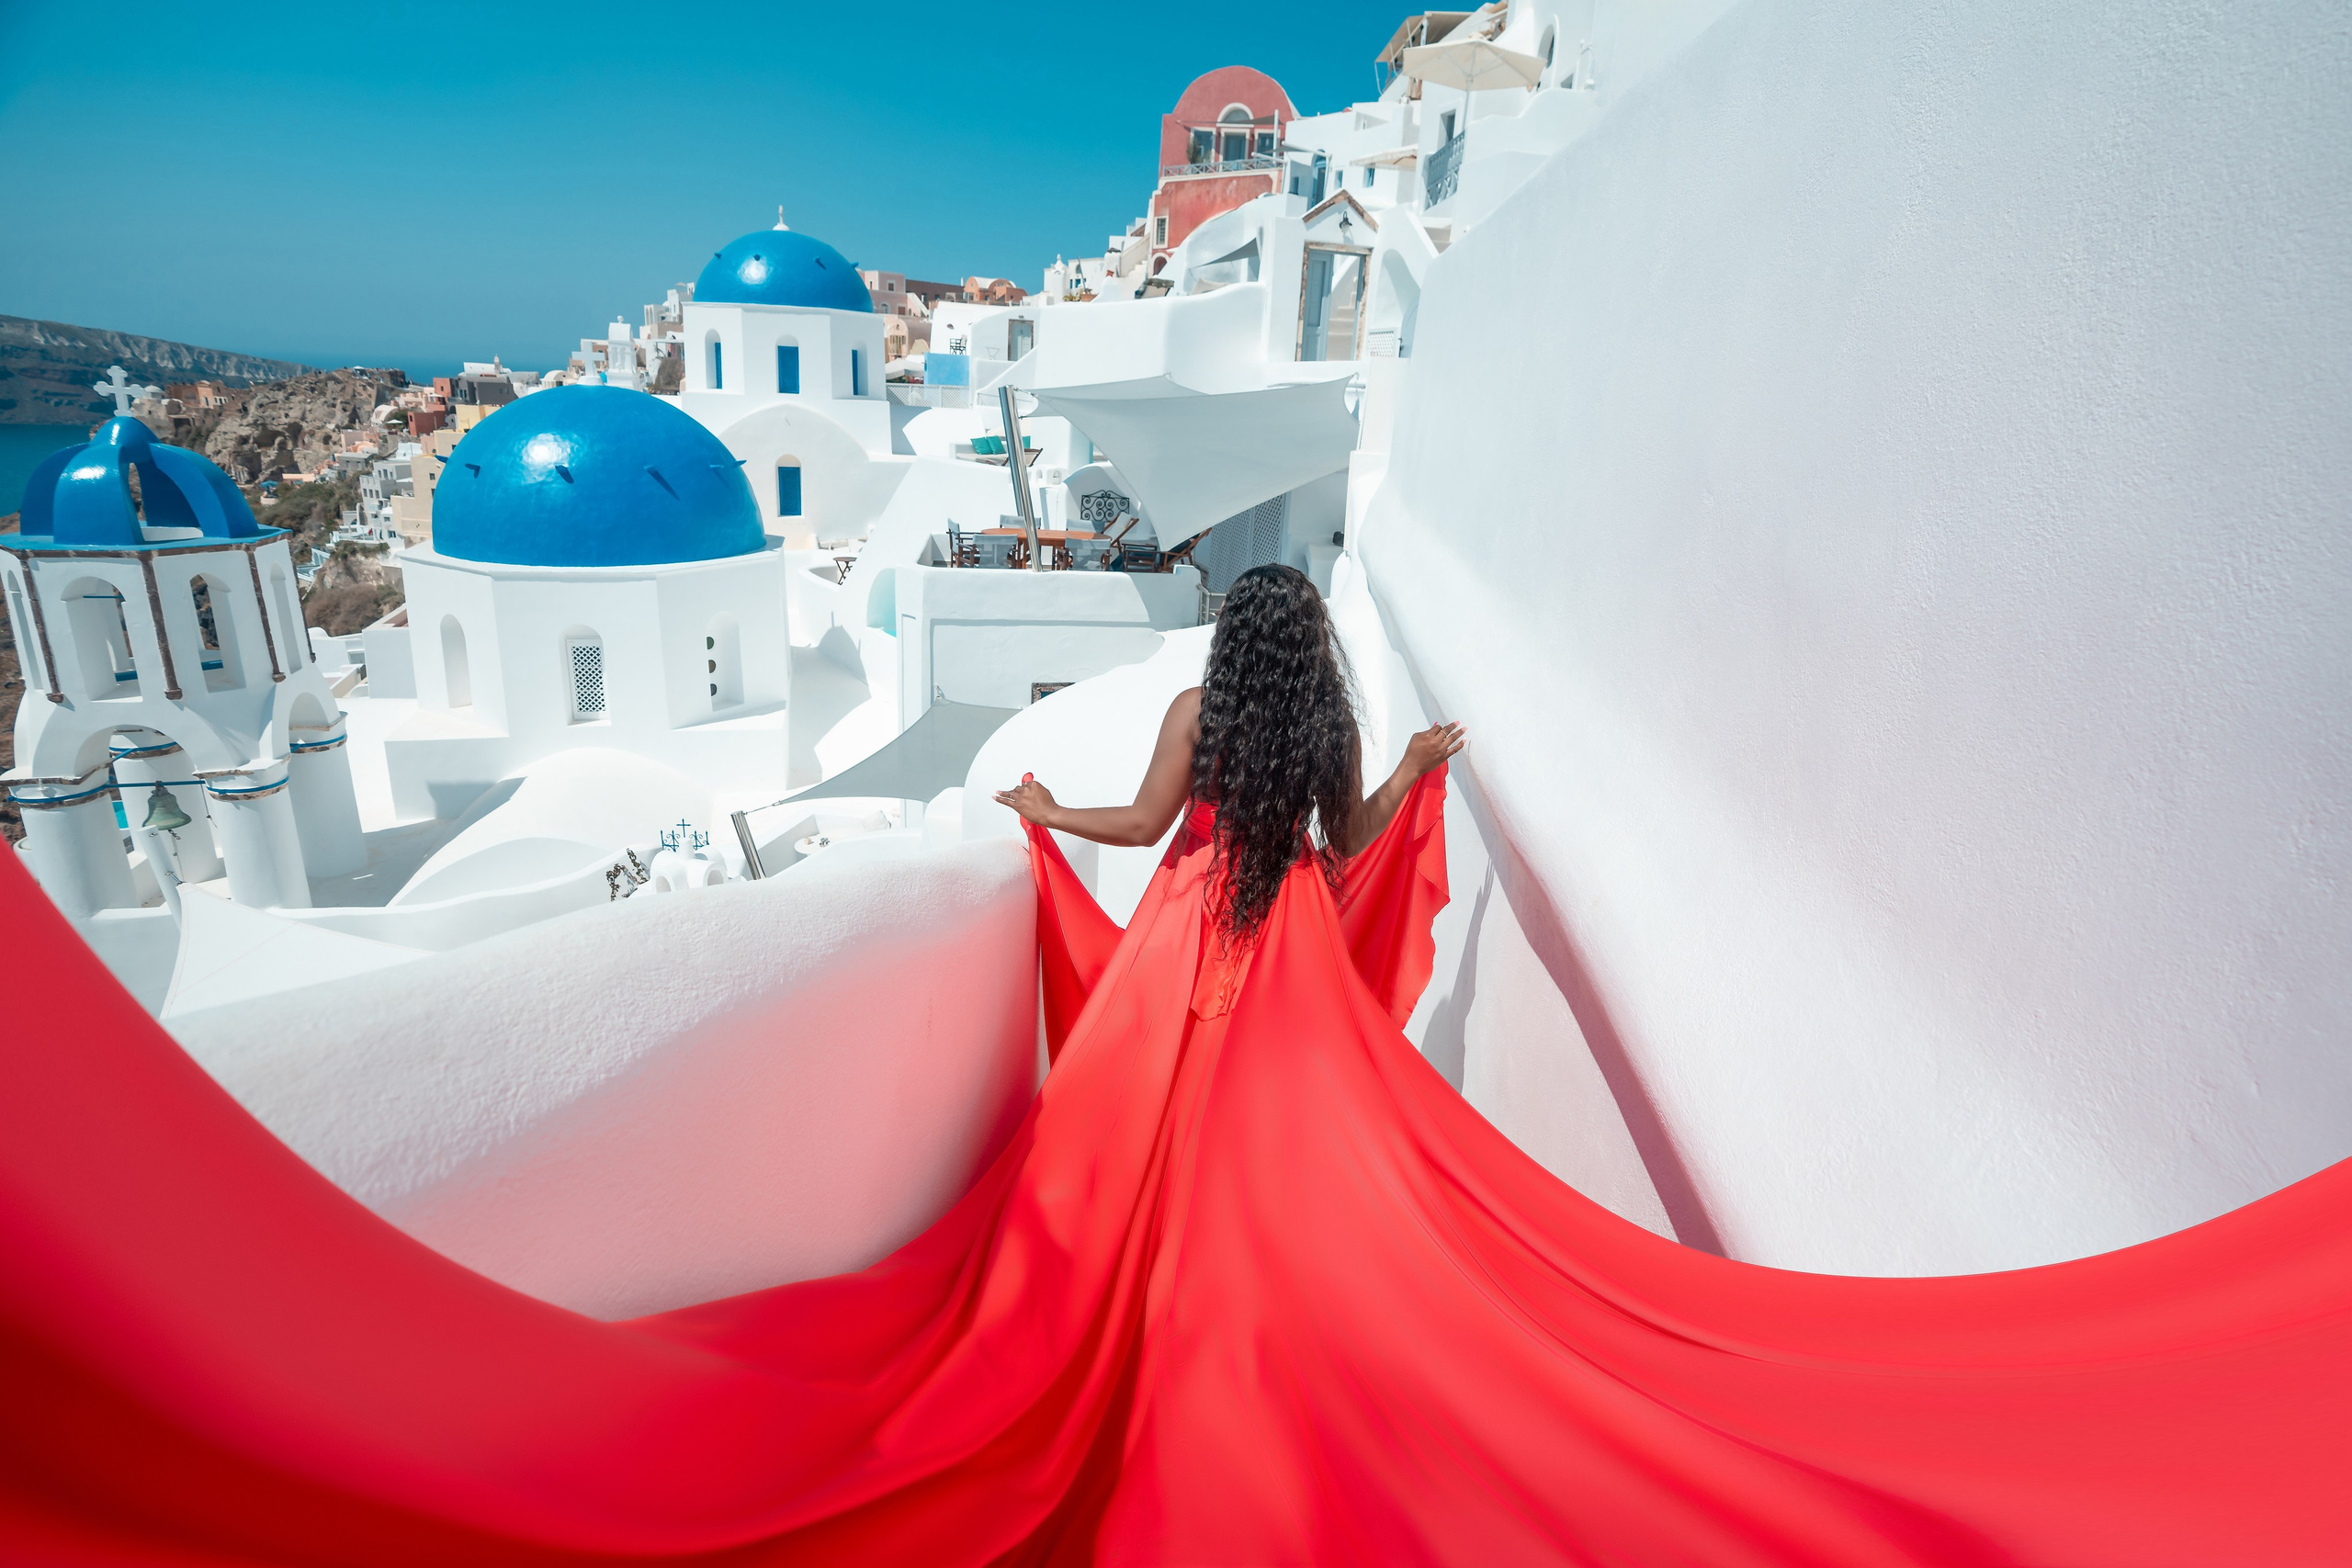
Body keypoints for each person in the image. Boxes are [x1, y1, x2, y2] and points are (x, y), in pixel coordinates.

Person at [3, 568, 2347, 1563]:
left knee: (1085, 1245)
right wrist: (1417, 768)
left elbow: (1130, 827)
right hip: (1282, 1010)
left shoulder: (1192, 740)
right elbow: (1347, 843)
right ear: (1302, 655)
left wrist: (1023, 822)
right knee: (1261, 1245)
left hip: (1164, 1005)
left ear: (1211, 658)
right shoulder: (1314, 741)